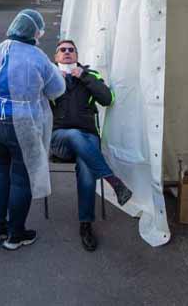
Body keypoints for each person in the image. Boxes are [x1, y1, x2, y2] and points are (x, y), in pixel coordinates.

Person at [0, 9, 66, 251]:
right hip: (22, 124)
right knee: (21, 178)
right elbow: (57, 89)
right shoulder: (38, 58)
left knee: (2, 173)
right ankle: (16, 234)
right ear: (35, 31)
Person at [50, 39, 132, 252]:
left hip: (88, 138)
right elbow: (32, 99)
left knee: (86, 169)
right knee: (75, 135)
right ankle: (113, 181)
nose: (67, 52)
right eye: (62, 50)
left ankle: (85, 225)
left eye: (71, 50)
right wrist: (50, 82)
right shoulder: (49, 76)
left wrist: (83, 76)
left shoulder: (90, 74)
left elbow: (107, 99)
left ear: (77, 55)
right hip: (60, 140)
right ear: (56, 56)